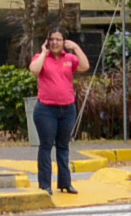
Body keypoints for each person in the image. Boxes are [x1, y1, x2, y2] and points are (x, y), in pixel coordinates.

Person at [29, 19, 91, 196]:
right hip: (46, 110)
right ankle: (45, 184)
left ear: (64, 42)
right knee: (46, 146)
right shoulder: (41, 58)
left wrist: (76, 48)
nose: (55, 42)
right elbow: (34, 69)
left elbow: (85, 66)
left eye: (58, 39)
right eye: (52, 39)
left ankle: (65, 183)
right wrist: (43, 52)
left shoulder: (69, 58)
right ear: (48, 41)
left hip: (67, 109)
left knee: (63, 147)